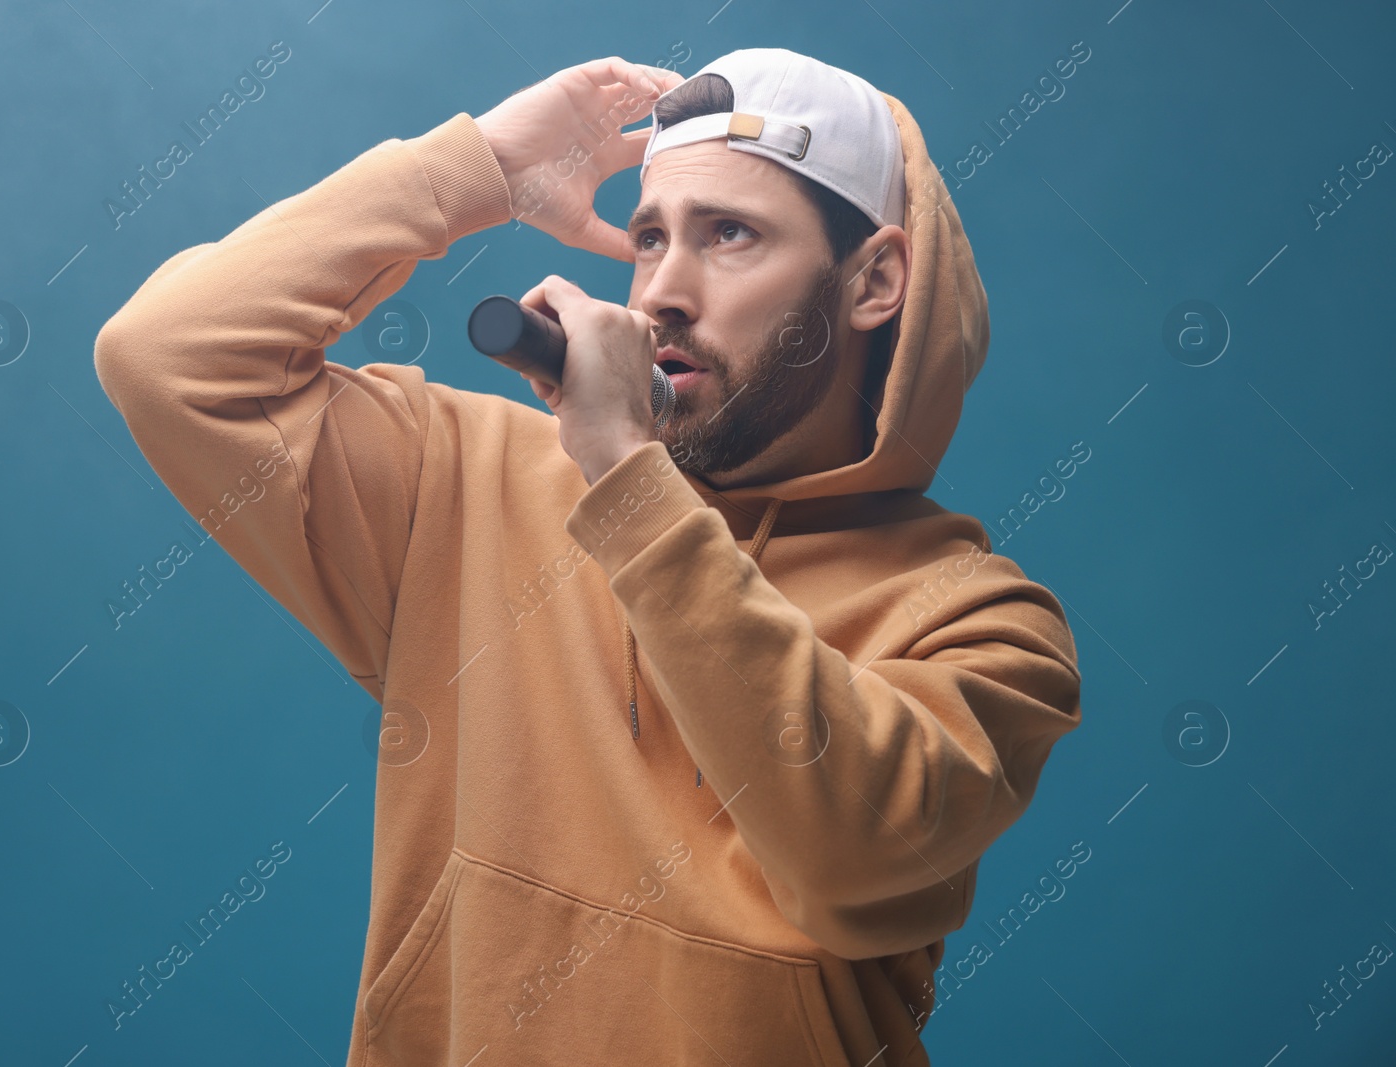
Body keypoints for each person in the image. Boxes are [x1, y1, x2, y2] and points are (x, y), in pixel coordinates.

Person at [94, 47, 1083, 1067]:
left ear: (873, 280)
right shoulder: (466, 479)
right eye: (649, 237)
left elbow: (848, 847)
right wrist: (477, 165)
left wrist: (625, 476)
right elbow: (169, 356)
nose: (662, 292)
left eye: (730, 235)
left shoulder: (980, 619)